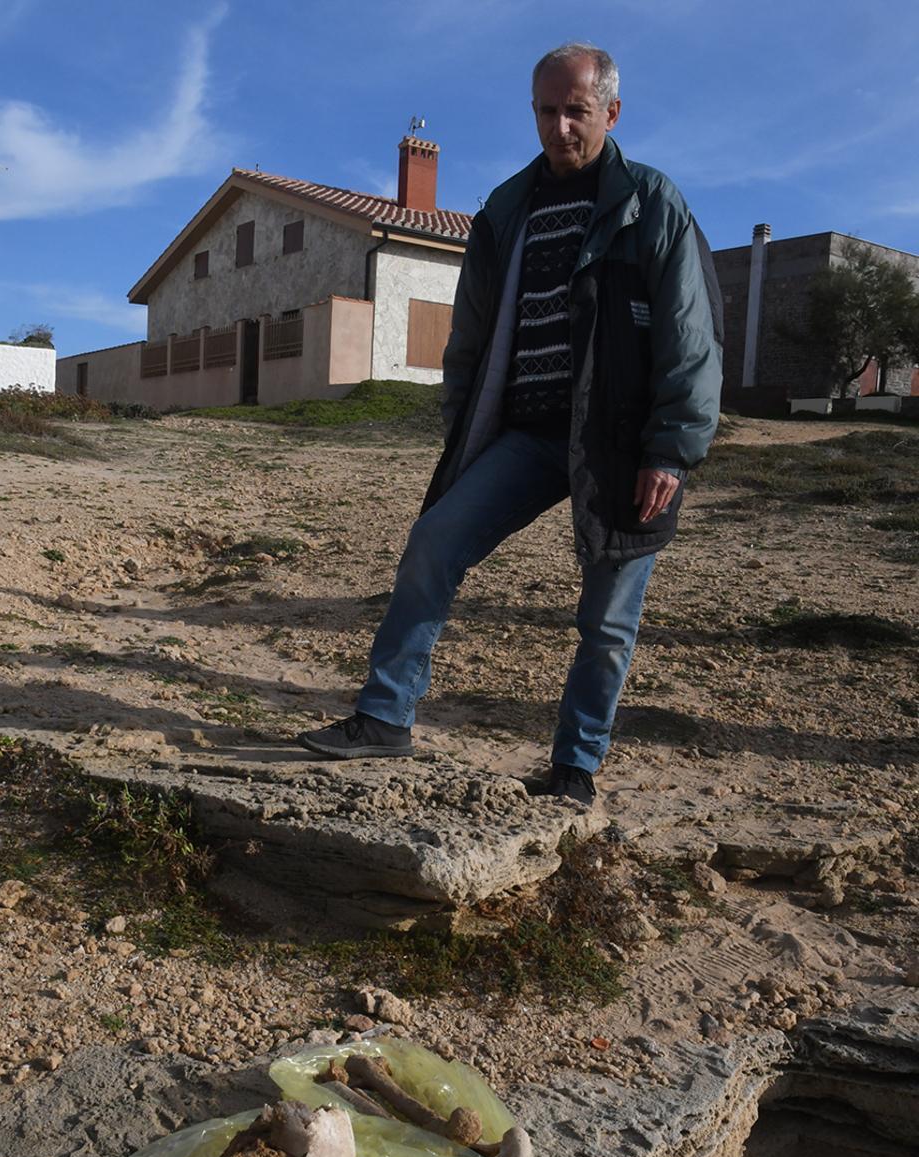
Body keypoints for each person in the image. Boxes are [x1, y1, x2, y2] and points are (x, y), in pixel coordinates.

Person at [298, 42, 723, 803]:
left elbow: (692, 338)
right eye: (546, 110)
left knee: (607, 620)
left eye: (577, 111)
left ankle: (574, 769)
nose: (560, 127)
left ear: (611, 112)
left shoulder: (652, 203)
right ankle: (385, 715)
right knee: (434, 543)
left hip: (622, 445)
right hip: (523, 434)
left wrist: (672, 449)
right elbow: (469, 335)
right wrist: (464, 424)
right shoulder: (506, 209)